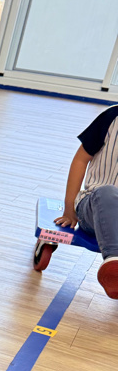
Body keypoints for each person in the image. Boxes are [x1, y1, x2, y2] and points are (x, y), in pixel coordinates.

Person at [54, 104, 118, 299]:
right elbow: (81, 160)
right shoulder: (111, 117)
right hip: (94, 205)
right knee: (107, 192)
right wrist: (69, 209)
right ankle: (114, 264)